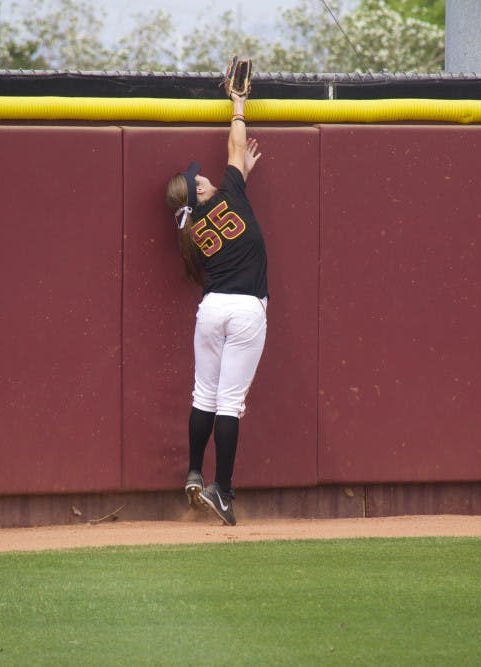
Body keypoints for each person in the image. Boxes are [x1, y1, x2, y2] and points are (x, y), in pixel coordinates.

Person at [164, 92, 267, 526]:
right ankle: (222, 491)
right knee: (229, 402)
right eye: (197, 178)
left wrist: (241, 171)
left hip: (210, 310)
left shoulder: (190, 230)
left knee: (203, 395)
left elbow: (234, 163)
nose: (201, 176)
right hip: (245, 310)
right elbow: (235, 147)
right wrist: (238, 105)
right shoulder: (231, 196)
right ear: (201, 192)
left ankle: (194, 471)